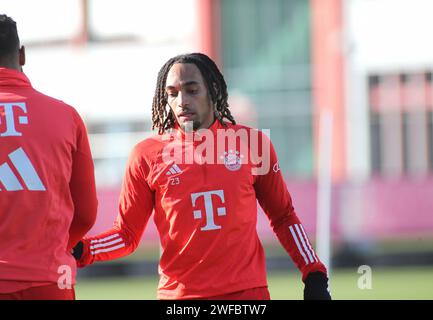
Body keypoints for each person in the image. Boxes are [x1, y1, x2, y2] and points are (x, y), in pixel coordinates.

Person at [73, 52, 331, 300]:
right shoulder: (146, 155)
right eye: (172, 94)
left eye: (192, 90)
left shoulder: (253, 144)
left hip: (247, 294)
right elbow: (126, 234)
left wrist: (314, 273)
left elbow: (283, 216)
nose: (181, 101)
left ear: (214, 91)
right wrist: (82, 249)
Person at [0, 15, 98, 300]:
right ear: (22, 54)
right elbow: (86, 213)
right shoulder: (66, 116)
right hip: (49, 279)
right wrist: (51, 247)